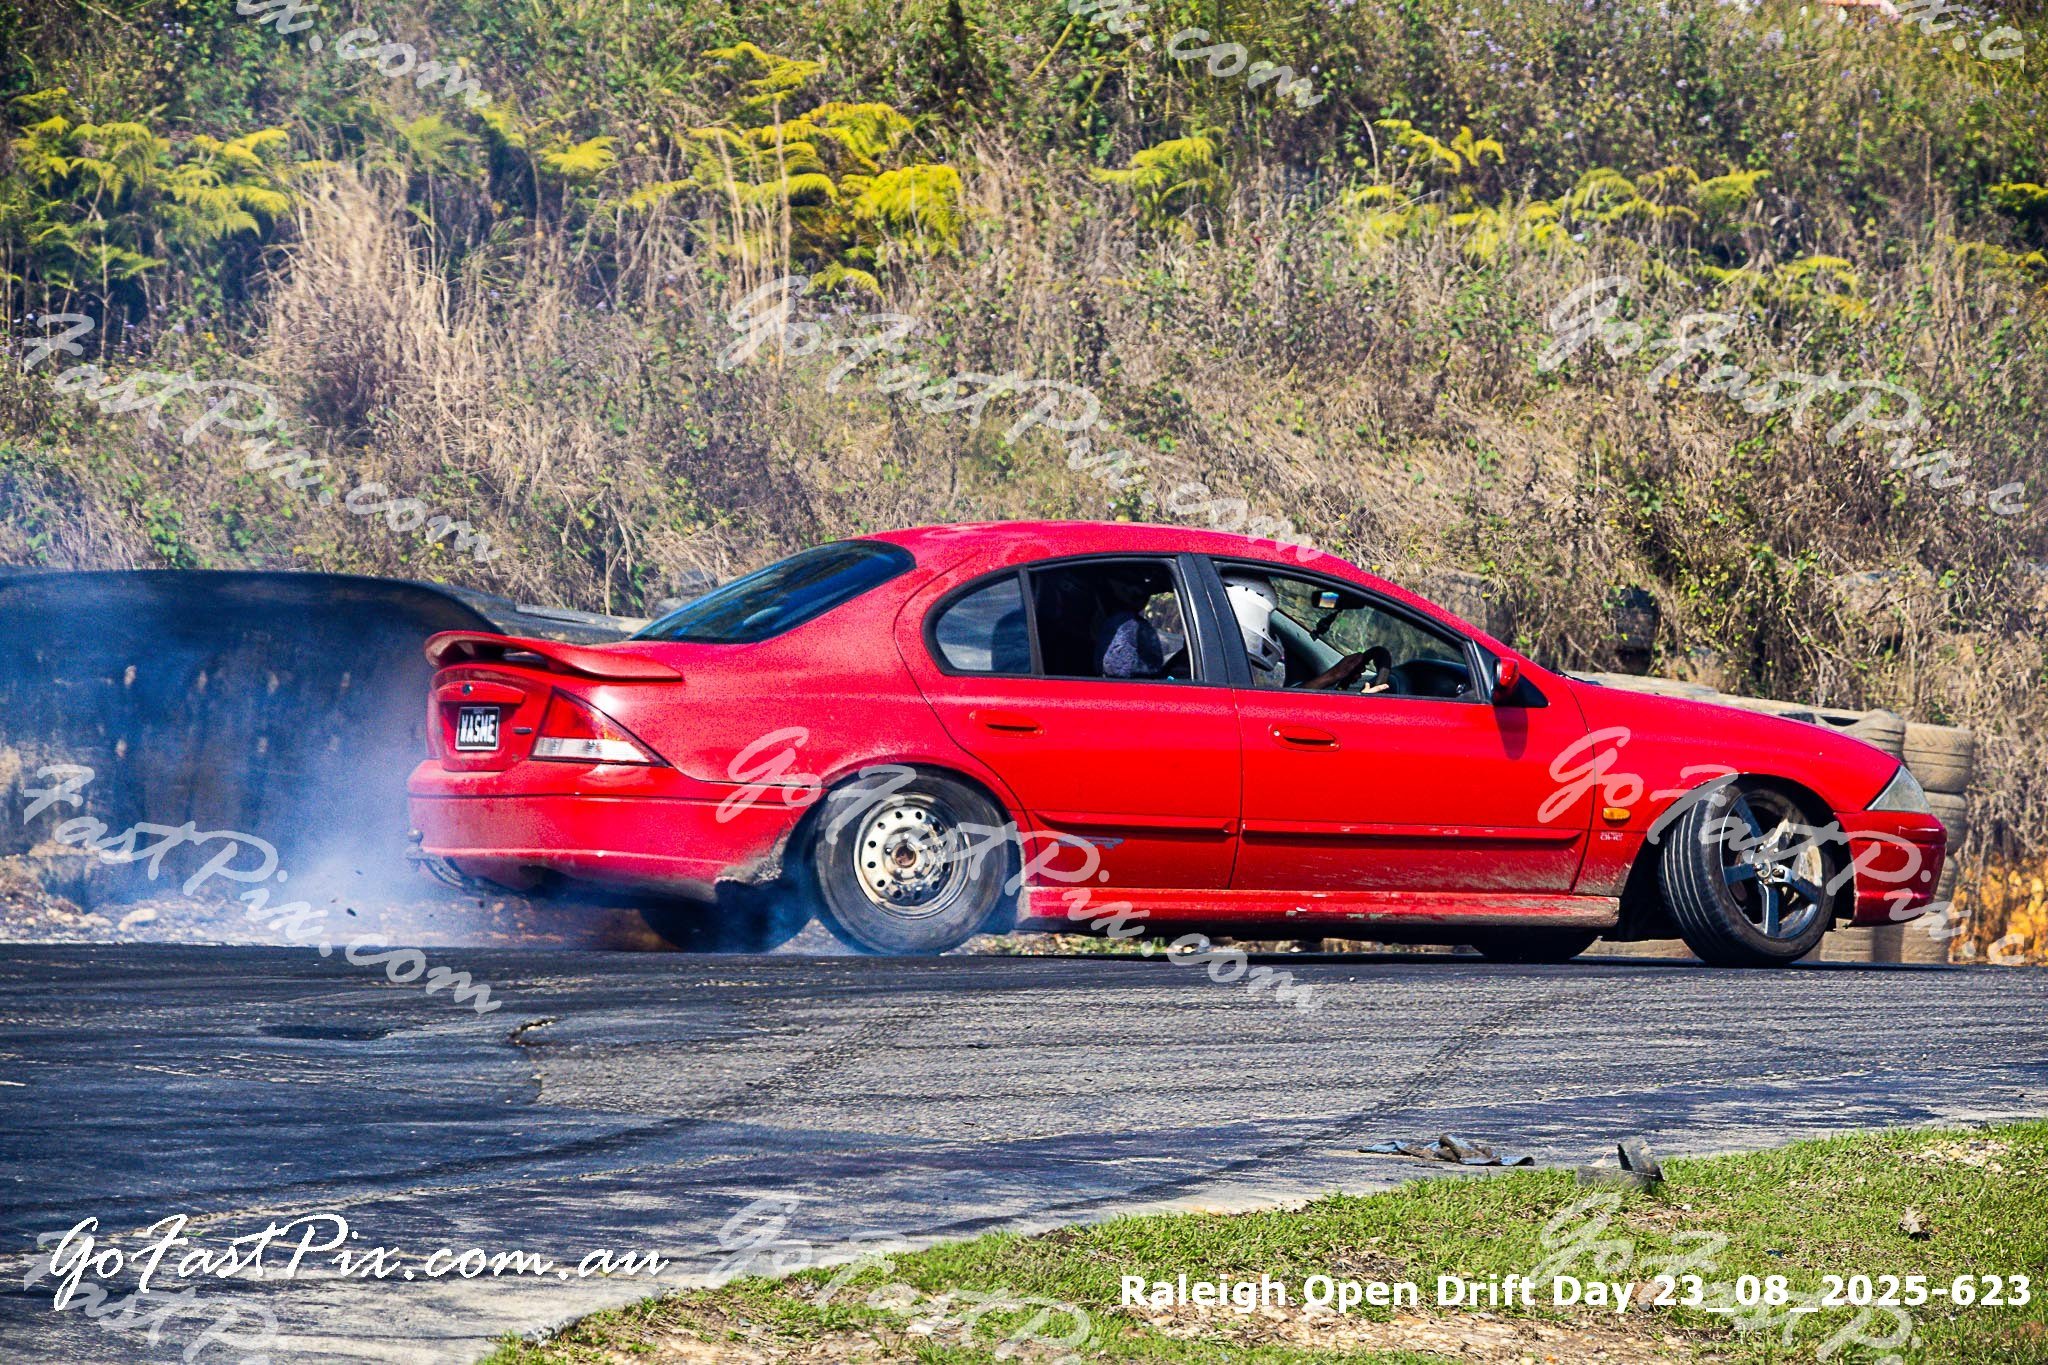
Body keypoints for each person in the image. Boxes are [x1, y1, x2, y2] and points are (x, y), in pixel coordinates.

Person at [1221, 572, 1390, 691]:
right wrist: (1360, 705)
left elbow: (1278, 706)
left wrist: (1332, 676)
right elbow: (1273, 715)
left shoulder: (1213, 656)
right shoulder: (1222, 666)